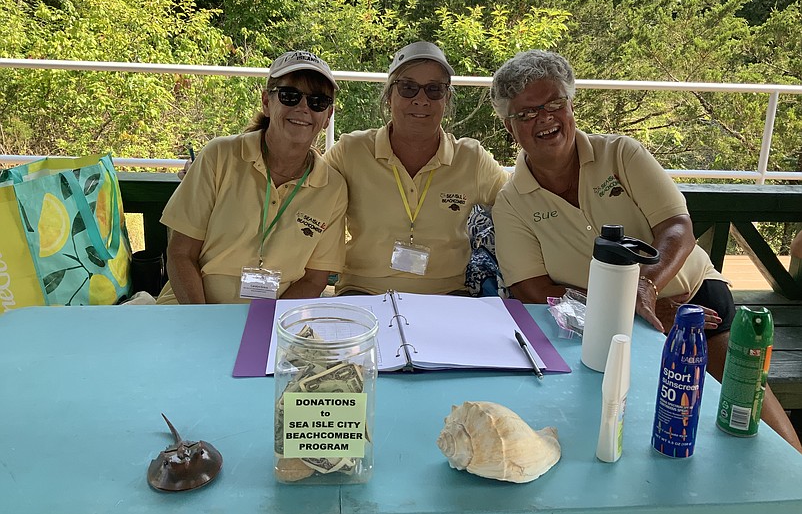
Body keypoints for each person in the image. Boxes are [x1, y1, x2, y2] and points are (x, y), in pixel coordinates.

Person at [490, 49, 802, 452]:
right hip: (588, 326)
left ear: (570, 106)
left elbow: (676, 226)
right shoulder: (512, 202)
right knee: (618, 439)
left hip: (693, 306)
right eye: (527, 113)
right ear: (509, 128)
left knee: (758, 430)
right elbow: (531, 288)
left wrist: (648, 289)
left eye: (554, 103)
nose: (545, 118)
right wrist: (628, 310)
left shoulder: (621, 154)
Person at [156, 50, 347, 304]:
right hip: (191, 306)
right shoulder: (219, 155)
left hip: (275, 317)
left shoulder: (332, 187)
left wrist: (265, 327)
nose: (303, 108)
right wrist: (201, 320)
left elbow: (314, 279)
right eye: (290, 96)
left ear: (327, 116)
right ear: (267, 103)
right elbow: (181, 253)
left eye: (317, 102)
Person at [323, 41, 509, 295]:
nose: (421, 100)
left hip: (448, 295)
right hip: (362, 291)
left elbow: (516, 204)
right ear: (389, 96)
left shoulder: (471, 158)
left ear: (446, 99)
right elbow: (307, 192)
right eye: (408, 88)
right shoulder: (351, 150)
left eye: (434, 90)